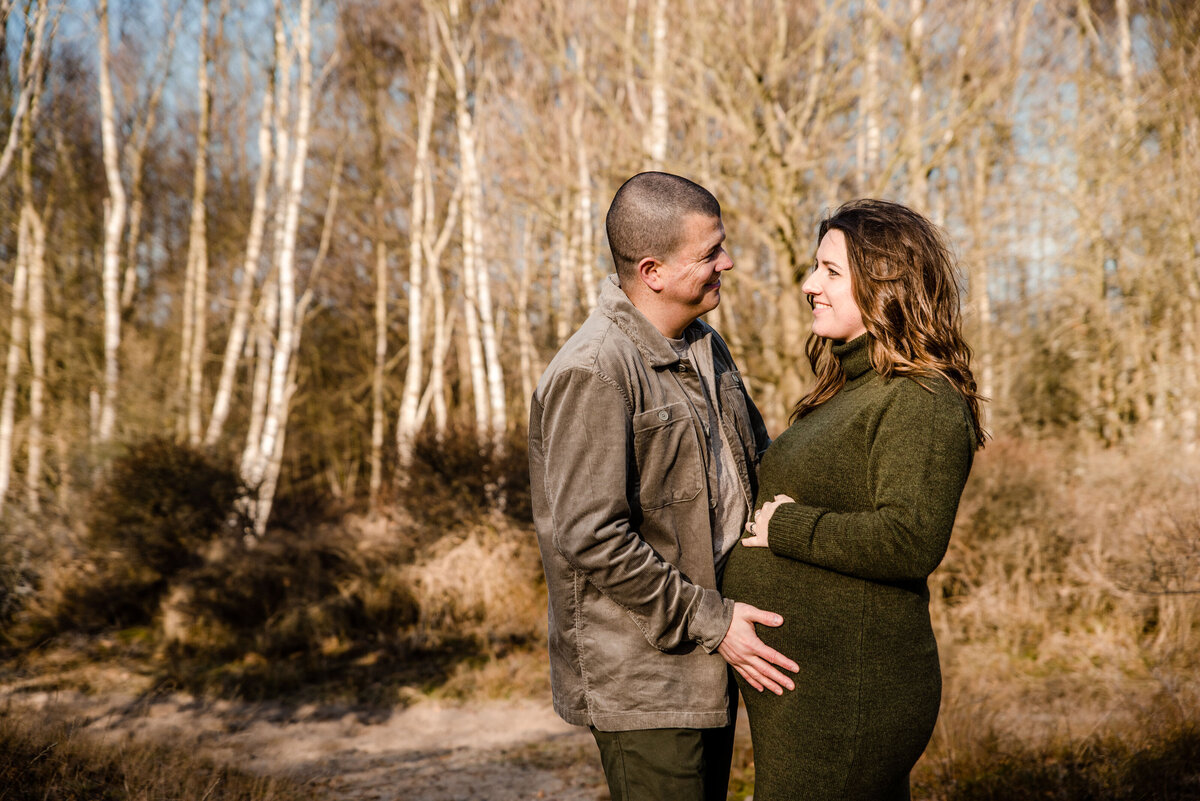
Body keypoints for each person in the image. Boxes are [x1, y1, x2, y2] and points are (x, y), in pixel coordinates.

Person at [528, 171, 799, 801]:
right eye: (710, 253)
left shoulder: (706, 347)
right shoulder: (594, 371)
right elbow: (591, 538)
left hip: (713, 662)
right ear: (652, 270)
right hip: (646, 682)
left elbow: (749, 474)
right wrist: (715, 622)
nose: (726, 263)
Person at [722, 198, 987, 801]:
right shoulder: (854, 389)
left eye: (831, 271)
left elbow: (910, 540)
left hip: (849, 693)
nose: (810, 285)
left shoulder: (921, 398)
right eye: (815, 268)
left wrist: (788, 528)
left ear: (886, 284)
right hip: (813, 692)